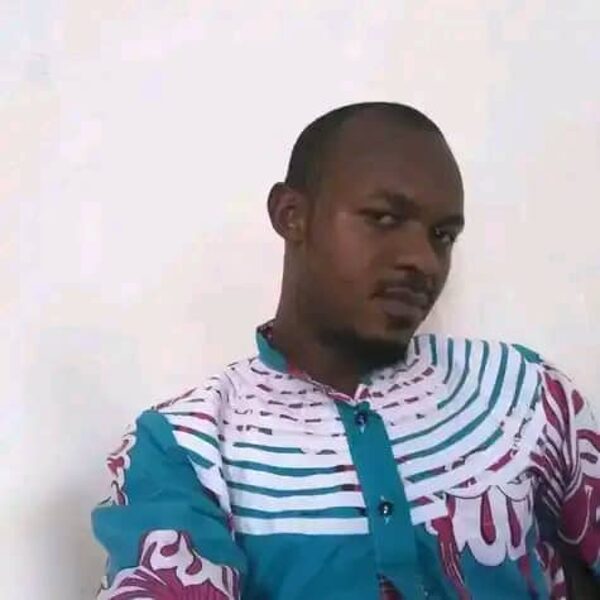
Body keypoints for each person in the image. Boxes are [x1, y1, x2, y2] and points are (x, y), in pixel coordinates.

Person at [92, 102, 600, 599]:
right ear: (292, 215)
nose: (423, 261)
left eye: (442, 236)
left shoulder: (524, 395)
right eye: (384, 218)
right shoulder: (188, 445)